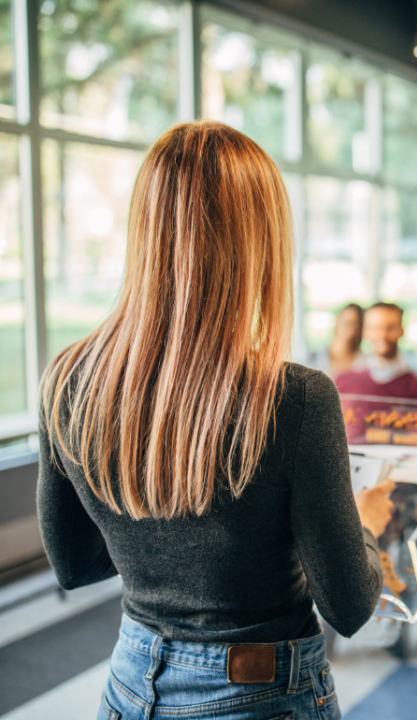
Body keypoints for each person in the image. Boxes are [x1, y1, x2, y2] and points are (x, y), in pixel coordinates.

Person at [35, 122, 394, 720]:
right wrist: (365, 523)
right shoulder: (295, 398)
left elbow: (76, 564)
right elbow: (350, 605)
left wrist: (164, 545)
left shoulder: (68, 380)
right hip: (260, 694)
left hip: (131, 683)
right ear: (261, 243)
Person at [335, 302, 417, 443]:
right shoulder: (343, 382)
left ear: (401, 331)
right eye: (375, 328)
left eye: (390, 328)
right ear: (365, 332)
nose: (382, 335)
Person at [327, 302, 366, 378]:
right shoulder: (312, 358)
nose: (350, 329)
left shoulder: (366, 363)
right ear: (337, 321)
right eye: (346, 322)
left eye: (355, 325)